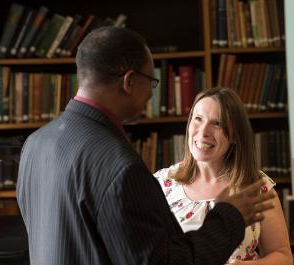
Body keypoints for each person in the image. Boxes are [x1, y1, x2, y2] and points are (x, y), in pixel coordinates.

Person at [16, 26, 275, 265]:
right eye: (151, 81)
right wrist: (229, 216)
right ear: (129, 82)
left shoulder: (35, 145)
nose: (152, 93)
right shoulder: (122, 167)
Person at [154, 87, 293, 264]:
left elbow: (282, 256)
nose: (203, 132)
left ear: (235, 135)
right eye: (198, 119)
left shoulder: (257, 186)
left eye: (217, 123)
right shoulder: (160, 184)